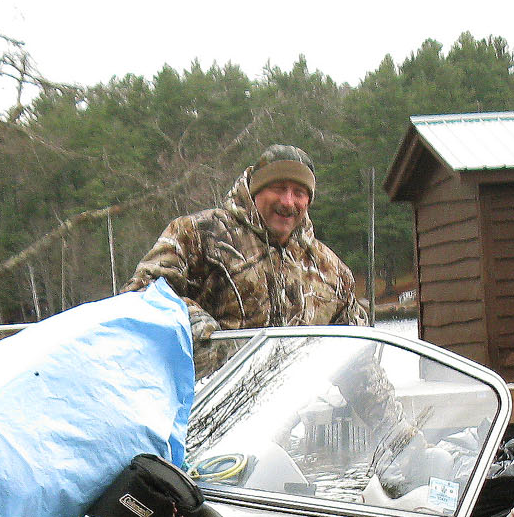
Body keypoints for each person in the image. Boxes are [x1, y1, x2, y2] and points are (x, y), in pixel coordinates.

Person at [127, 144, 367, 377]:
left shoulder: (332, 272)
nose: (288, 202)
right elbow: (140, 295)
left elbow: (359, 364)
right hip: (204, 399)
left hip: (291, 403)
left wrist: (385, 405)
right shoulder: (198, 234)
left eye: (299, 193)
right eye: (278, 188)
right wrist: (191, 322)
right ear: (255, 191)